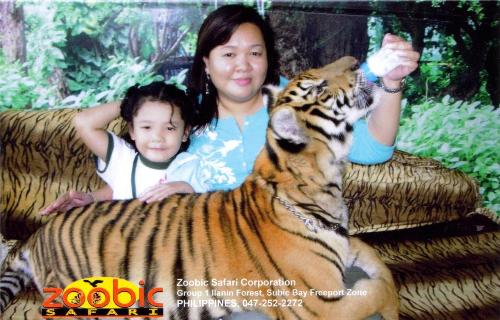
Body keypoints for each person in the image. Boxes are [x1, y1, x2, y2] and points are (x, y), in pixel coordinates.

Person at [41, 4, 419, 211]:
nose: (243, 65)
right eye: (228, 54)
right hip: (210, 251)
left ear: (268, 59)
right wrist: (91, 198)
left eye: (255, 53)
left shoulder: (297, 107)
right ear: (206, 62)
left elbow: (374, 149)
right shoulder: (182, 119)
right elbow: (149, 180)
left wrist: (391, 82)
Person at [40, 82, 207, 214]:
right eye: (147, 127)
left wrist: (186, 189)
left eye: (170, 128)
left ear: (185, 133)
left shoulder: (192, 165)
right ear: (132, 130)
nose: (157, 137)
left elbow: (208, 211)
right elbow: (83, 122)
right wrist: (132, 102)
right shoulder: (122, 158)